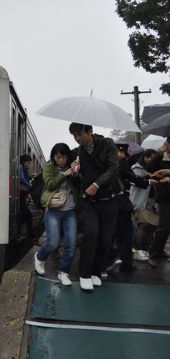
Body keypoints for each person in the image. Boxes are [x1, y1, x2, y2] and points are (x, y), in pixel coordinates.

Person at [69, 122, 119, 291]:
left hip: (109, 200)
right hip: (88, 202)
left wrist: (96, 184)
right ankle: (84, 274)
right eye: (74, 136)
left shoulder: (107, 144)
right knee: (91, 233)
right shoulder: (76, 153)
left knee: (106, 241)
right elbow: (75, 182)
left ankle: (97, 272)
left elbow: (114, 168)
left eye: (79, 134)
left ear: (90, 132)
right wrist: (74, 173)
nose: (77, 138)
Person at [34, 143, 79, 285]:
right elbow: (50, 184)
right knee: (52, 243)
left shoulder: (72, 167)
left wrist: (76, 174)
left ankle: (63, 272)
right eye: (58, 157)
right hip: (53, 210)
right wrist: (65, 174)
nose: (61, 160)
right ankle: (40, 257)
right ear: (53, 157)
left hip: (70, 210)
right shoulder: (48, 167)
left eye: (64, 157)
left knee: (71, 244)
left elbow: (79, 185)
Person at [112, 143, 149, 272]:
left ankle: (118, 260)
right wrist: (147, 180)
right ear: (120, 151)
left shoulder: (106, 163)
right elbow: (133, 178)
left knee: (116, 233)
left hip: (110, 203)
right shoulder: (120, 162)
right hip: (121, 203)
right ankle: (122, 261)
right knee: (127, 234)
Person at [130, 149, 159, 260]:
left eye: (152, 158)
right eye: (148, 157)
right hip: (141, 201)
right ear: (144, 157)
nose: (150, 160)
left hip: (153, 201)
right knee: (143, 225)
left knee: (153, 226)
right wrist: (149, 178)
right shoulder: (137, 168)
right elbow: (136, 182)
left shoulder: (157, 168)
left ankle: (146, 250)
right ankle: (138, 249)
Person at [146, 143, 170, 268]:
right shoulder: (161, 157)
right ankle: (153, 254)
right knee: (164, 226)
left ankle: (160, 251)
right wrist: (158, 154)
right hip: (165, 197)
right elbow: (149, 168)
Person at [19, 154, 35, 241]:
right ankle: (30, 235)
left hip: (22, 195)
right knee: (28, 215)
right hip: (21, 195)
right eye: (28, 163)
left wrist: (30, 177)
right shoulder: (21, 167)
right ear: (24, 161)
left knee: (25, 215)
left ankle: (23, 233)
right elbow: (21, 178)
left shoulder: (22, 168)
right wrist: (30, 184)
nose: (29, 165)